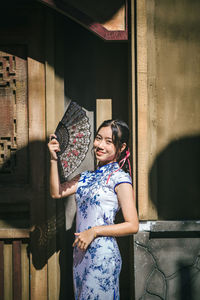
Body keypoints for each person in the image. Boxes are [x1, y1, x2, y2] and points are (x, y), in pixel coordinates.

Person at [48, 119, 139, 300]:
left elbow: (132, 225)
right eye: (98, 138)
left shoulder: (120, 178)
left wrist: (94, 232)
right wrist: (53, 158)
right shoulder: (86, 177)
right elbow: (56, 192)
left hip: (103, 257)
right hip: (81, 255)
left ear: (121, 148)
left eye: (109, 141)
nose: (100, 145)